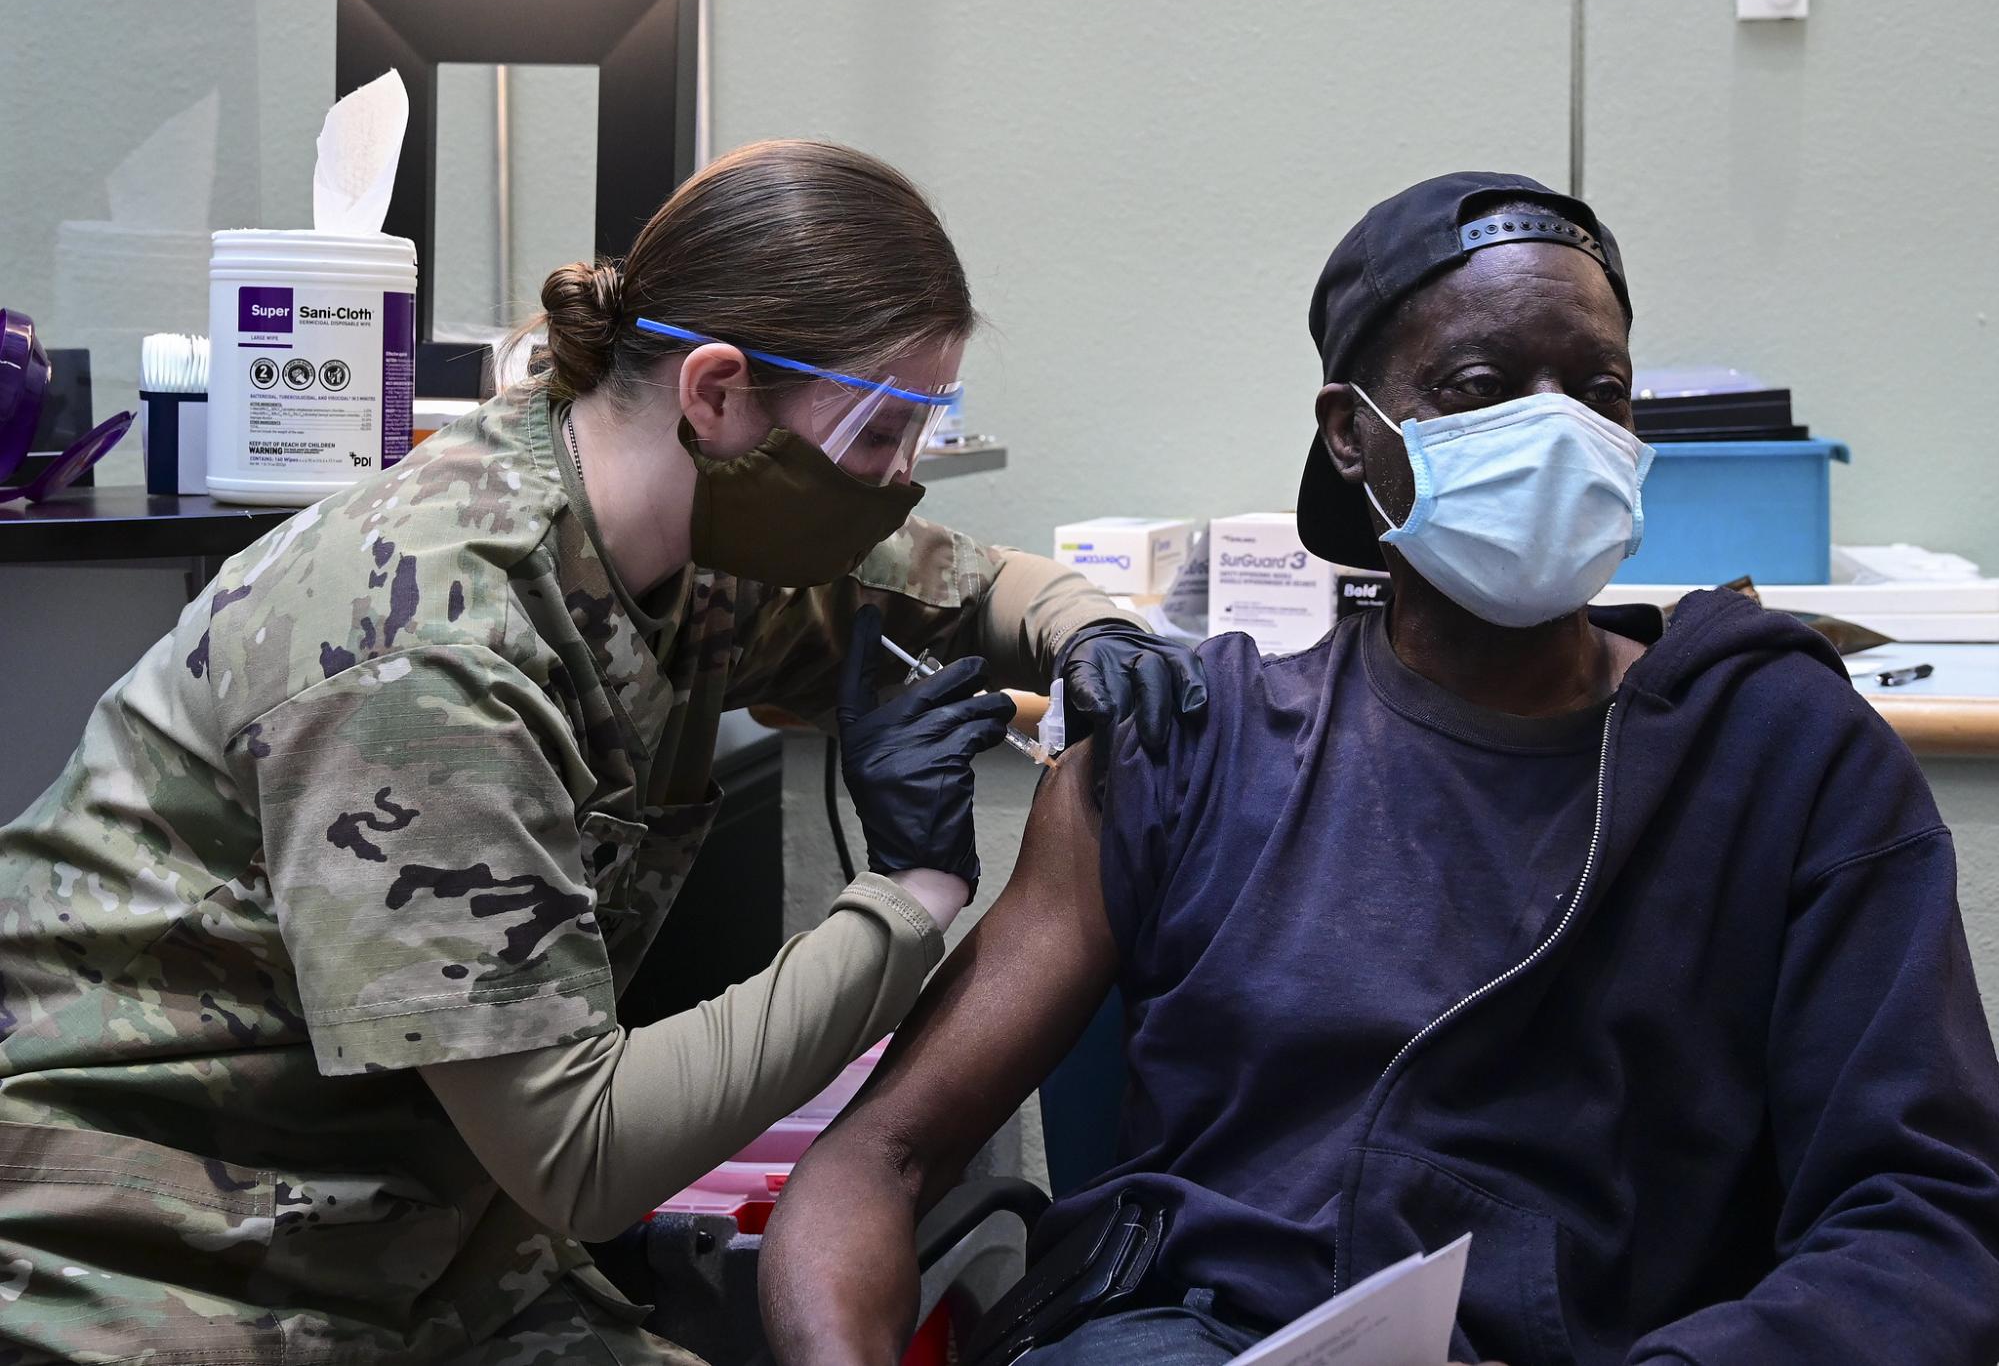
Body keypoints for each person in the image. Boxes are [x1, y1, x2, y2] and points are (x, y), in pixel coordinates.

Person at [760, 172, 1999, 1366]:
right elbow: (883, 1161)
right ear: (1354, 434)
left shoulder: (1775, 757)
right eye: (1480, 385)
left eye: (1598, 388)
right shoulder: (1194, 744)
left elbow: (1928, 1225)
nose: (1555, 427)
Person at [0, 139, 1205, 1364]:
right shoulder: (428, 656)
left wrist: (1095, 633)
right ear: (719, 392)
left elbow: (983, 586)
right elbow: (585, 1156)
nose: (899, 485)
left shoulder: (687, 533)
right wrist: (905, 898)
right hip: (148, 1256)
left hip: (432, 1235)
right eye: (882, 434)